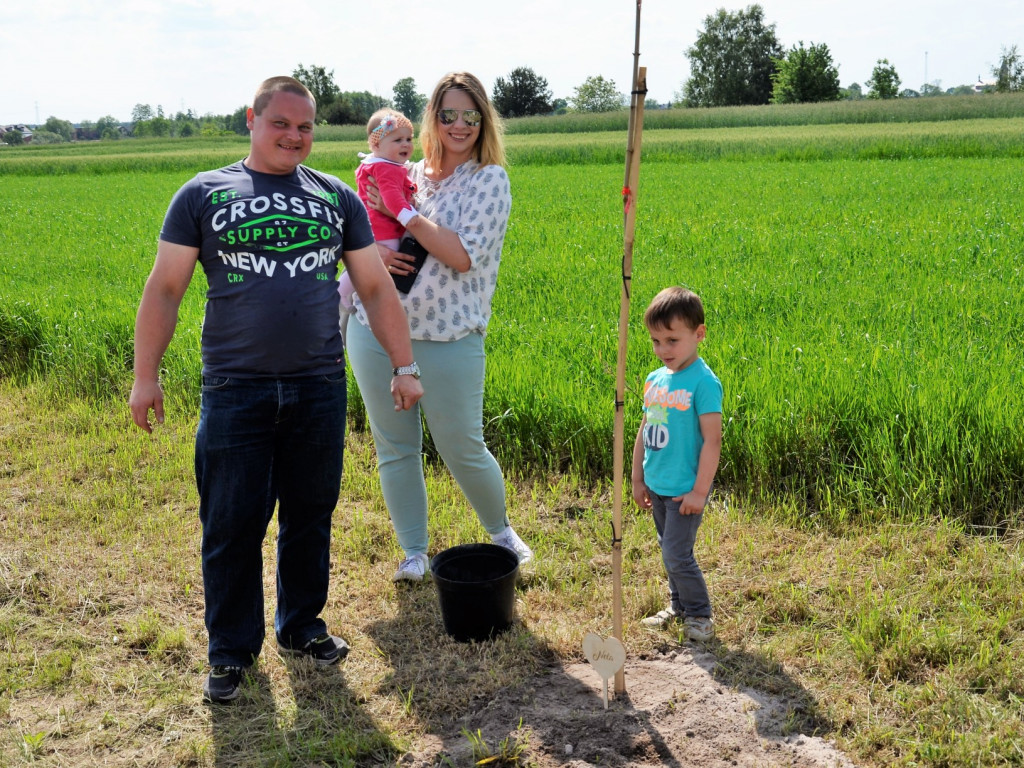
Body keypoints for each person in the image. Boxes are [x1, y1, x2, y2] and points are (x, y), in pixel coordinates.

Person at [128, 76, 423, 705]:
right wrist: (145, 375)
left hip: (318, 382)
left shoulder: (337, 198)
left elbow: (374, 287)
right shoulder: (203, 194)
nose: (295, 137)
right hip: (236, 387)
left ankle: (301, 627)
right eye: (281, 124)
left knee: (311, 514)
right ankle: (231, 652)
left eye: (306, 127)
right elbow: (164, 288)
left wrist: (404, 365)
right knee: (231, 522)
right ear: (252, 120)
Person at [345, 71, 533, 583]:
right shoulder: (403, 171)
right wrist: (378, 251)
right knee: (395, 446)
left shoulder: (488, 179)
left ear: (483, 121)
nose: (458, 125)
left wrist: (403, 217)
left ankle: (501, 535)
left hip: (448, 334)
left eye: (470, 116)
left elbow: (461, 254)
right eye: (447, 114)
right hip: (374, 328)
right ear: (432, 118)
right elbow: (362, 233)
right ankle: (413, 552)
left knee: (461, 444)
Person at [631, 287, 723, 642]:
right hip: (658, 483)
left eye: (672, 340)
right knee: (667, 549)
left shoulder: (703, 383)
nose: (662, 350)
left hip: (686, 488)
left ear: (698, 334)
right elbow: (646, 429)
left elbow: (712, 441)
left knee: (677, 553)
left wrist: (700, 491)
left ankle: (700, 614)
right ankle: (677, 606)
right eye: (656, 341)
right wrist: (638, 478)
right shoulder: (655, 380)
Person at [338, 109, 418, 320]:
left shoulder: (376, 164)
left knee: (365, 263)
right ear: (376, 145)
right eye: (398, 139)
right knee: (380, 261)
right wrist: (410, 216)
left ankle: (343, 289)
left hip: (371, 224)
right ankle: (342, 292)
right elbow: (391, 199)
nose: (406, 144)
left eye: (409, 139)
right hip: (383, 228)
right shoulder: (387, 169)